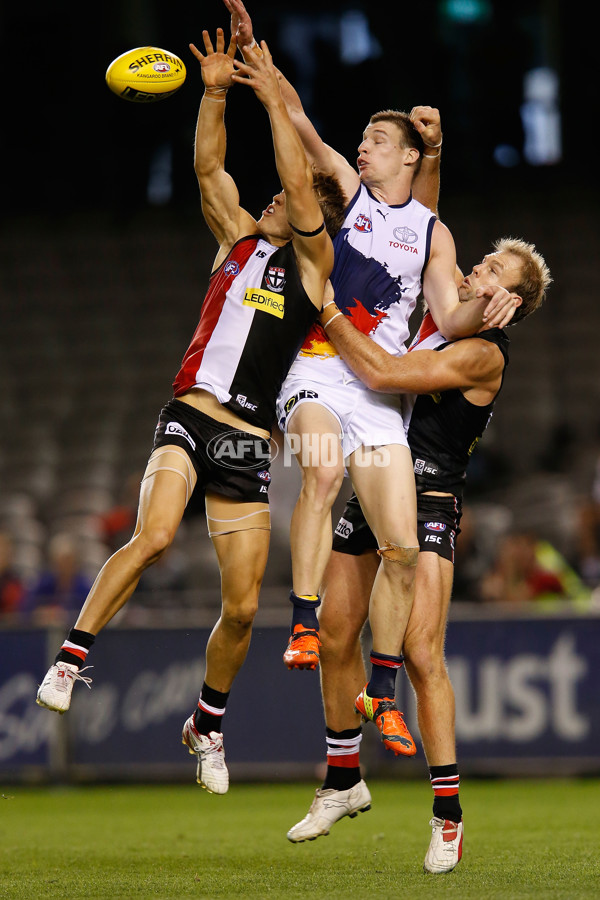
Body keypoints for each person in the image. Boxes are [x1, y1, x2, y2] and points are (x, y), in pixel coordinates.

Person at [35, 25, 345, 797]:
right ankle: (72, 659)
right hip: (189, 415)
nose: (277, 196)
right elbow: (209, 166)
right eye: (275, 191)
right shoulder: (236, 241)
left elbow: (300, 192)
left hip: (246, 442)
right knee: (154, 534)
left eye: (291, 194)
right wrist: (213, 92)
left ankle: (206, 725)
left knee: (241, 609)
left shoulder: (313, 269)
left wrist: (278, 116)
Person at [223, 0, 518, 758]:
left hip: (380, 395)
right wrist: (263, 70)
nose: (364, 146)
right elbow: (305, 129)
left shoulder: (433, 232)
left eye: (378, 140)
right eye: (365, 139)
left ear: (409, 160)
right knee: (320, 475)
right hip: (321, 367)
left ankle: (382, 694)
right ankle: (302, 624)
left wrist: (488, 303)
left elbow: (450, 316)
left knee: (402, 550)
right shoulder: (349, 197)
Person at [286, 237, 552, 874]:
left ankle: (448, 817)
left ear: (505, 301)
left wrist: (326, 310)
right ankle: (344, 778)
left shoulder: (485, 354)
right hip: (381, 483)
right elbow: (427, 224)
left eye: (490, 272)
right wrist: (429, 149)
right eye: (482, 259)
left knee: (422, 651)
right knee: (334, 631)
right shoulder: (442, 303)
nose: (474, 270)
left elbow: (382, 374)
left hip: (430, 499)